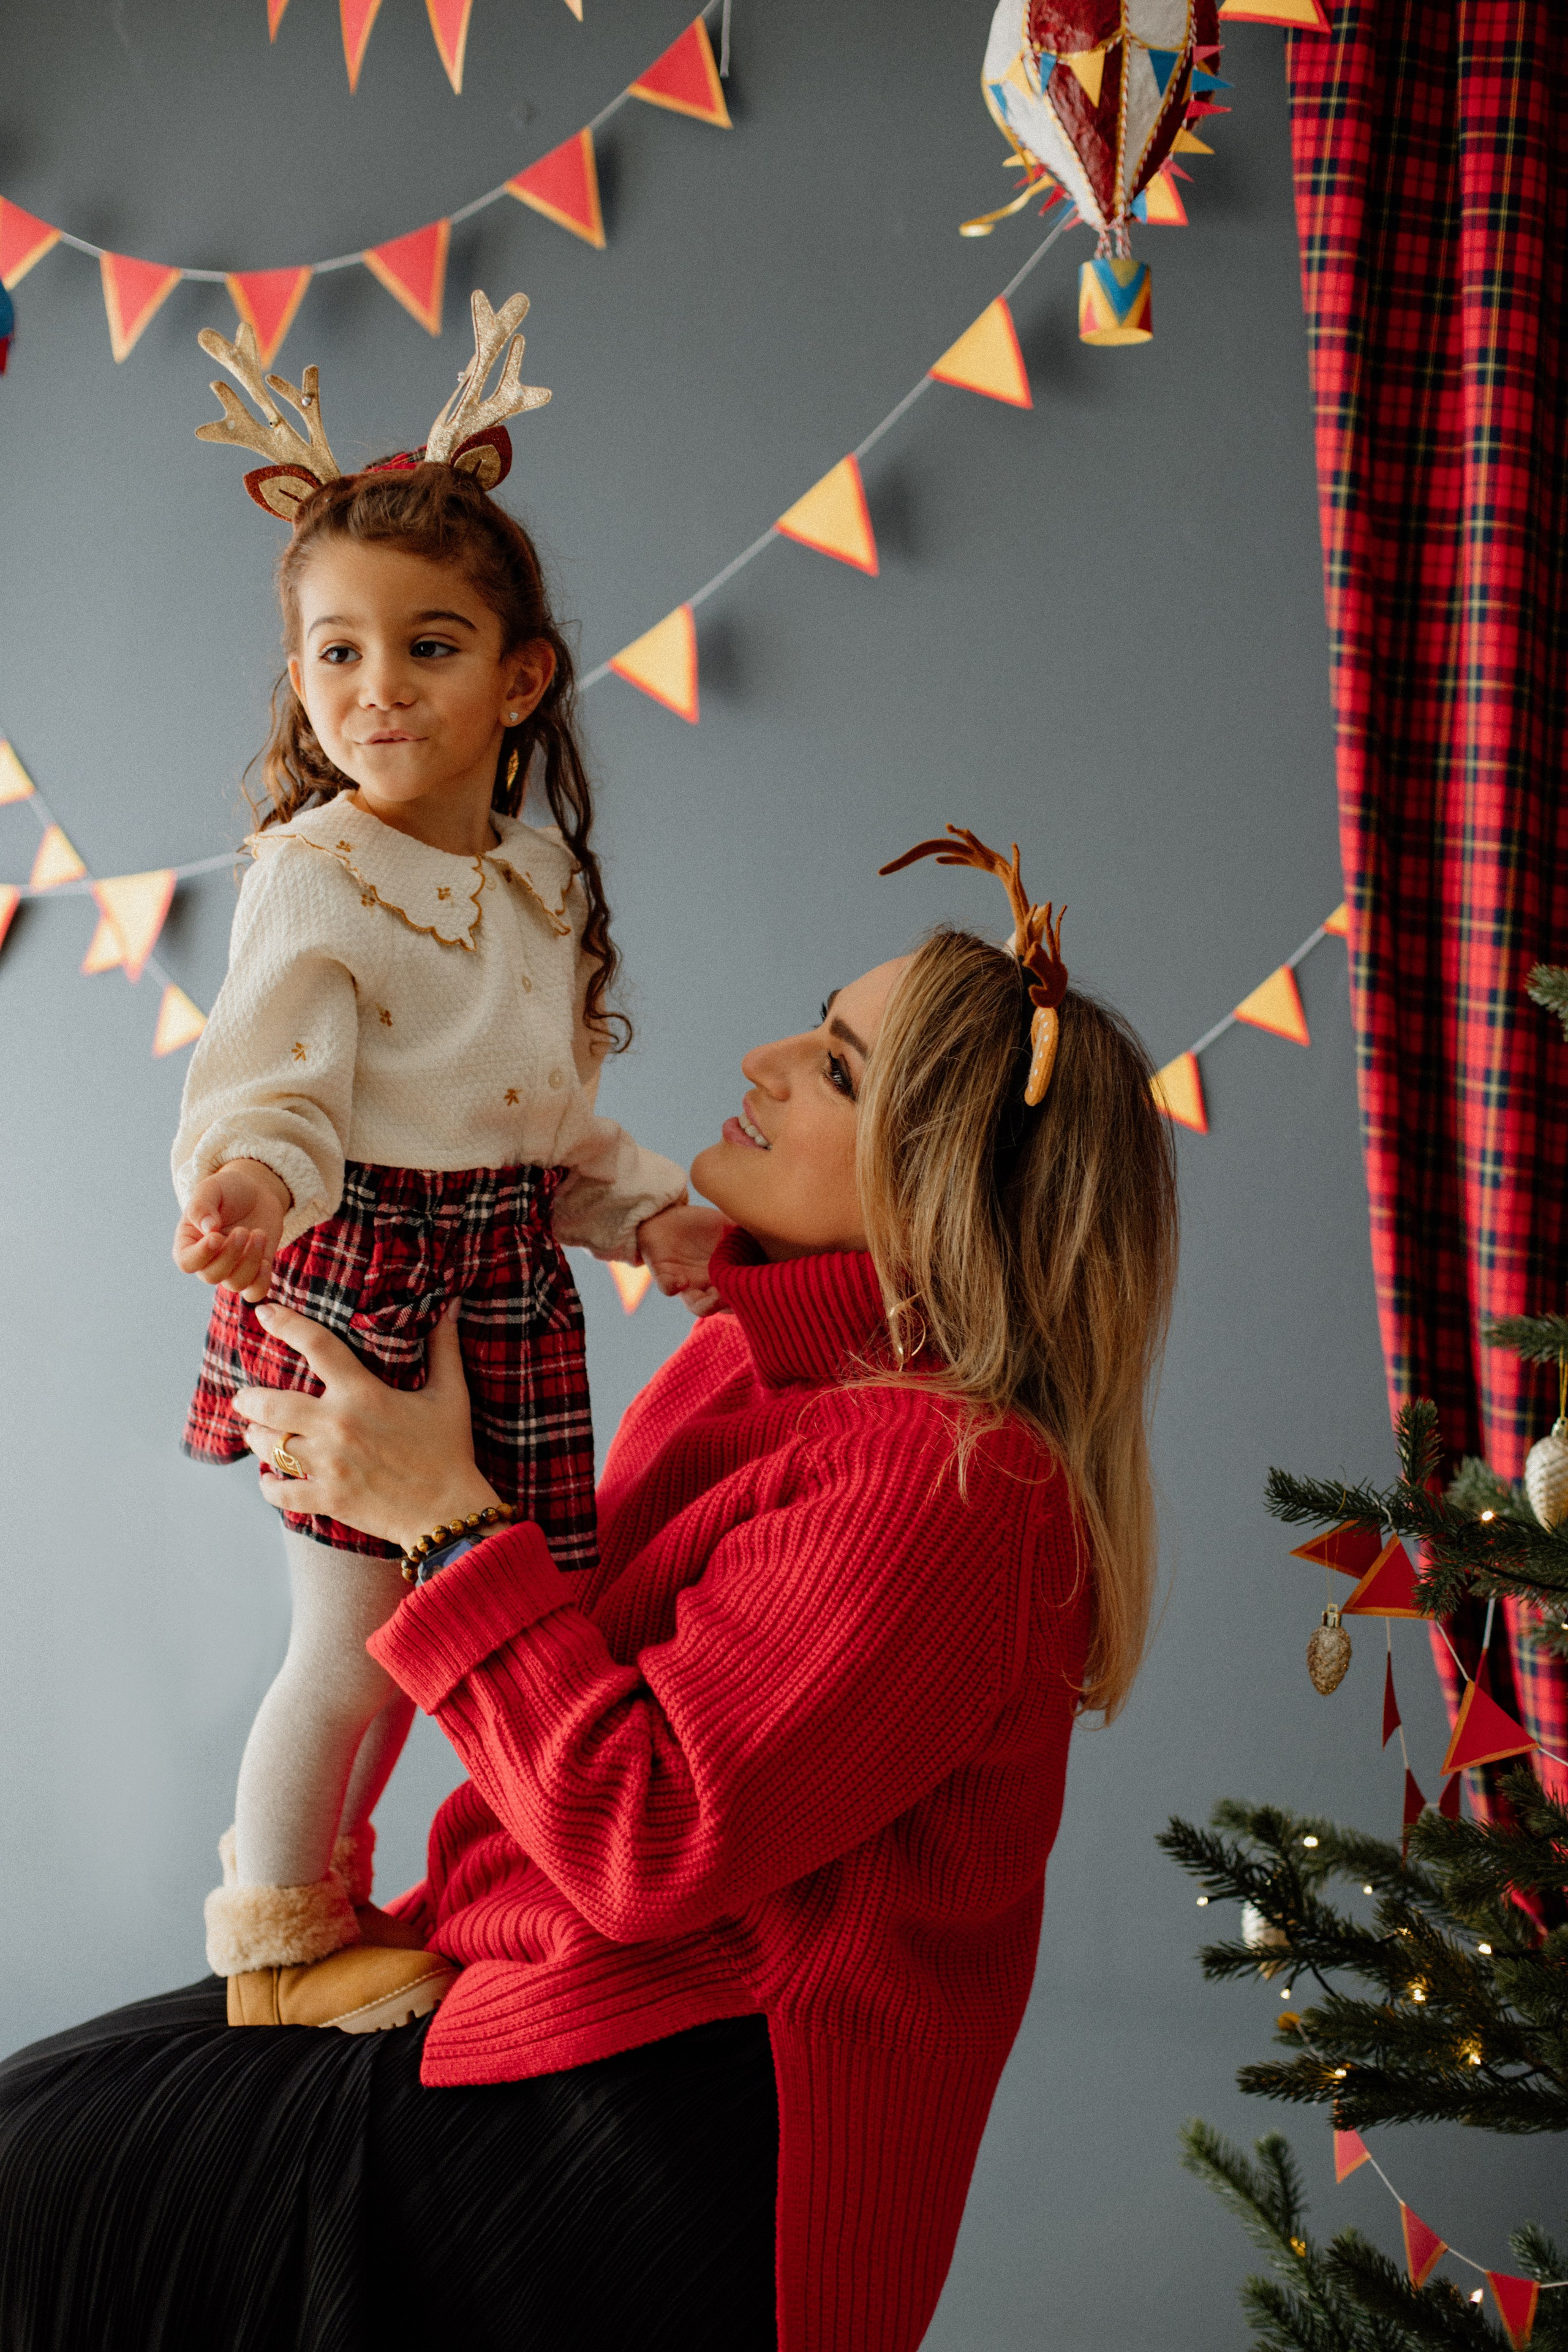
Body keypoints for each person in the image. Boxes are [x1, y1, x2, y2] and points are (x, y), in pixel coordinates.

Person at [0, 834, 1179, 2351]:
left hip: (670, 2133)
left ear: (936, 1178)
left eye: (829, 1065)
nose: (757, 1061)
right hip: (537, 2004)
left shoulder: (947, 1485)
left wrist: (441, 1515)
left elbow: (652, 1833)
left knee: (45, 2203)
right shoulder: (747, 1365)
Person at [167, 291, 717, 2019]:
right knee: (350, 1647)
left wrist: (654, 1219)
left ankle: (406, 1905)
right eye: (336, 651)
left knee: (471, 1640)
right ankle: (277, 1937)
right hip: (357, 1278)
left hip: (500, 1276)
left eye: (426, 644)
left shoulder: (540, 883)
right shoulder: (314, 871)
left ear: (519, 674)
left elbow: (537, 1127)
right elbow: (274, 1082)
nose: (375, 687)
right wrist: (252, 1188)